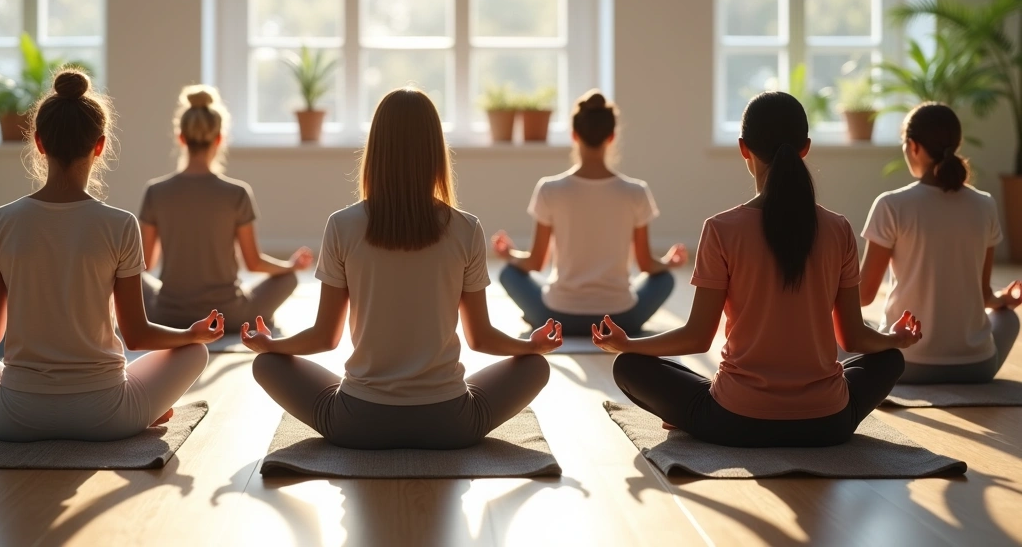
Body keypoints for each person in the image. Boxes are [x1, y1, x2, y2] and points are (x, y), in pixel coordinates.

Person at [242, 88, 562, 450]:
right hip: (450, 423)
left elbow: (324, 338)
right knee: (536, 366)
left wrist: (271, 344)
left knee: (266, 364)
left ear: (375, 150)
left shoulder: (342, 225)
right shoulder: (466, 228)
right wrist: (529, 345)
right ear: (435, 153)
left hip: (357, 422)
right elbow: (481, 338)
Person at [599, 91, 921, 447]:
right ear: (806, 148)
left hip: (735, 421)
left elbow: (696, 337)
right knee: (889, 360)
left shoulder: (721, 228)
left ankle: (691, 415)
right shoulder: (839, 228)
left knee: (628, 366)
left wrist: (628, 343)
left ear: (743, 148)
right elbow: (854, 339)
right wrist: (896, 339)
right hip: (828, 423)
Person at [0, 70, 215, 442]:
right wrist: (190, 333)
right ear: (100, 145)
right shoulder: (120, 225)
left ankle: (140, 405)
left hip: (15, 418)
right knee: (195, 352)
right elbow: (136, 335)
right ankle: (146, 409)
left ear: (39, 143)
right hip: (110, 417)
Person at [493, 90, 686, 336]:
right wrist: (670, 262)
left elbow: (535, 262)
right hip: (620, 320)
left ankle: (537, 319)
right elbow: (647, 264)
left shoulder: (549, 189)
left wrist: (508, 253)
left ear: (574, 135)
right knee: (665, 278)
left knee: (509, 273)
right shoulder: (636, 191)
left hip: (557, 317)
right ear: (612, 136)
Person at [860, 102, 1021, 384]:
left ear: (913, 146)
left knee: (844, 326)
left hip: (903, 364)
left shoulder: (891, 205)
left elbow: (863, 296)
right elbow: (985, 296)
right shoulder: (985, 205)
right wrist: (1004, 300)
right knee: (1008, 319)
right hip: (976, 367)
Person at [139, 85, 311, 330]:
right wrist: (290, 266)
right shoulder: (237, 193)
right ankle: (255, 317)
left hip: (166, 315)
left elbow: (145, 264)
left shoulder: (155, 191)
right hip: (228, 316)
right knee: (288, 279)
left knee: (124, 276)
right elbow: (253, 263)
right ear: (219, 139)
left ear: (181, 138)